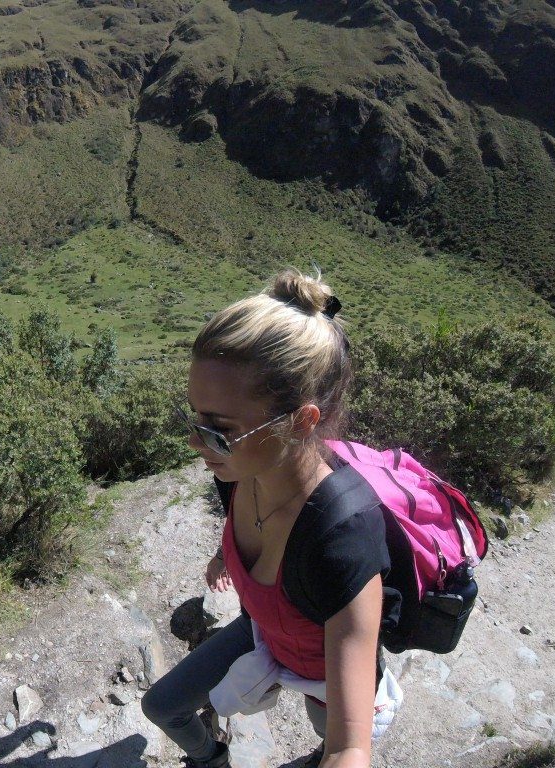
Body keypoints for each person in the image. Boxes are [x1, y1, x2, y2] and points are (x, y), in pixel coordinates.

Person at [141, 268, 390, 768]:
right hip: (266, 632)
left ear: (302, 421)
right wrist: (222, 554)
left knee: (327, 741)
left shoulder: (344, 538)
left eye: (218, 430)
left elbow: (350, 748)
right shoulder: (238, 471)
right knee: (161, 706)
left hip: (323, 670)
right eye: (195, 419)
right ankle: (211, 760)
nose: (196, 442)